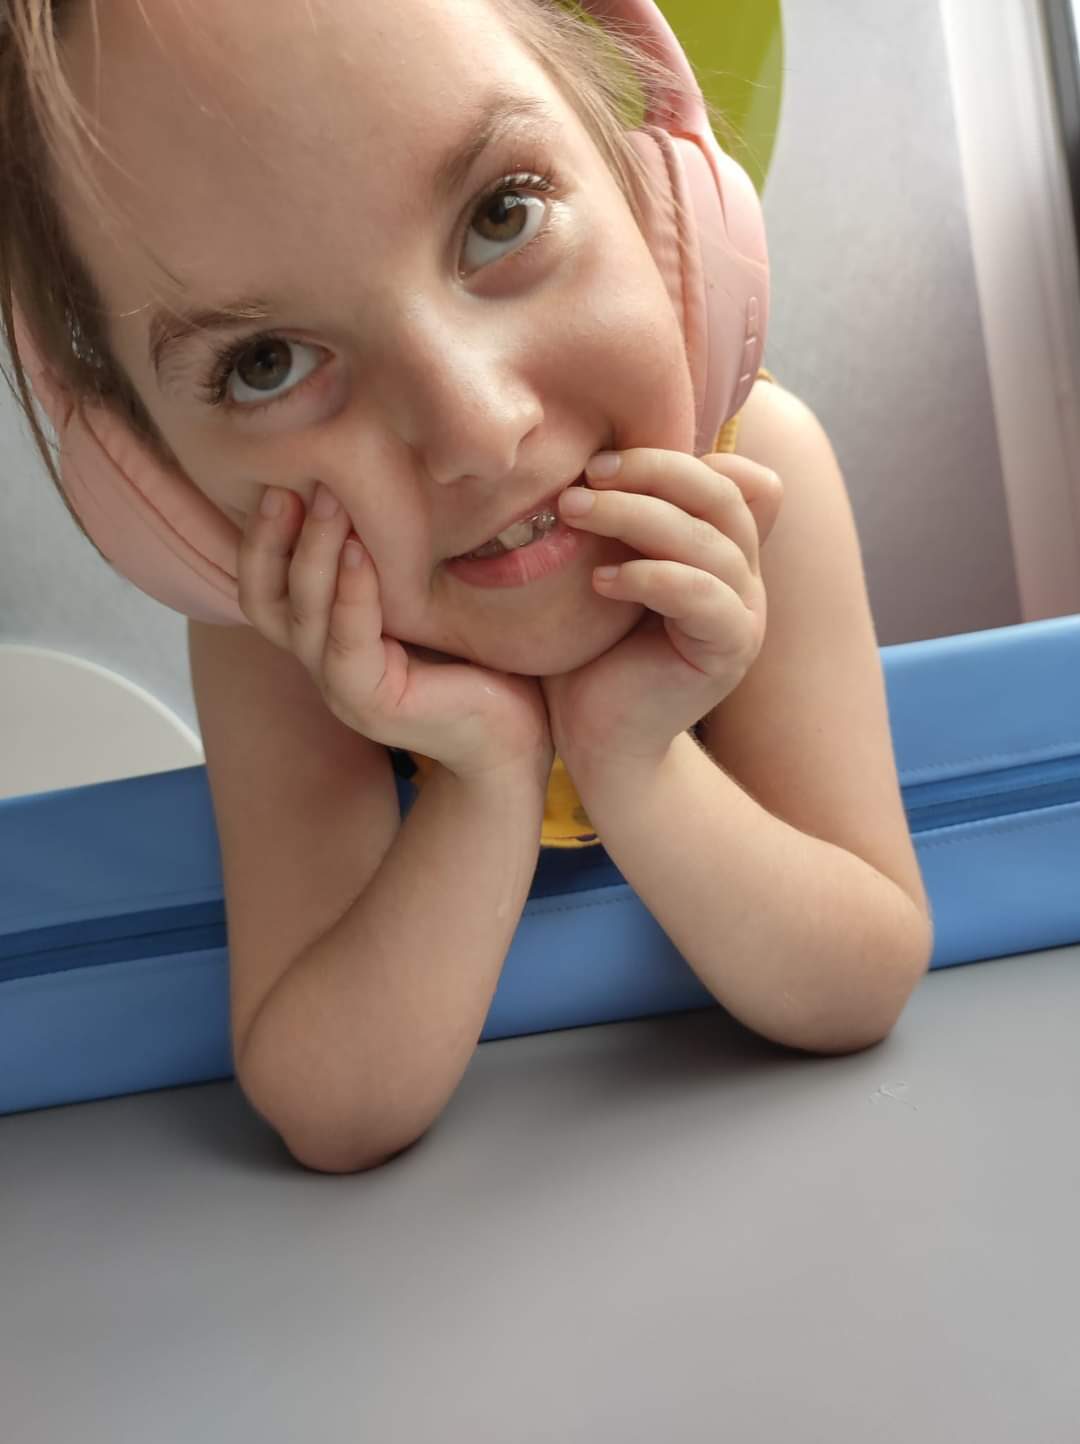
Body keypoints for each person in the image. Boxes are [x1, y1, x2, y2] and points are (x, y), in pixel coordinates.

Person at [0, 0, 933, 1173]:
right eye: (266, 364)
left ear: (658, 191)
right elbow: (334, 1105)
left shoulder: (755, 482)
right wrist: (488, 776)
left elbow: (861, 978)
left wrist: (634, 759)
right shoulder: (286, 624)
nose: (477, 431)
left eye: (503, 213)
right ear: (161, 498)